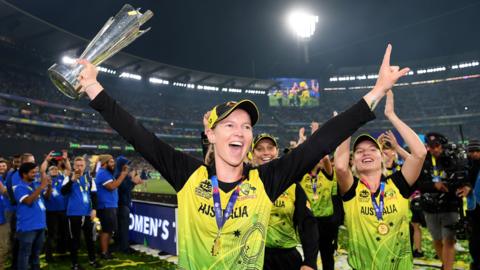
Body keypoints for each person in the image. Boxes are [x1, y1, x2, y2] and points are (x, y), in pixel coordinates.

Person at [77, 44, 409, 269]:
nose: (239, 131)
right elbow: (137, 134)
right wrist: (94, 87)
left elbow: (322, 140)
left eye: (246, 126)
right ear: (211, 134)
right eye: (230, 124)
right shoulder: (189, 175)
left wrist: (377, 91)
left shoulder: (266, 181)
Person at [334, 90, 427, 269]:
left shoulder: (398, 184)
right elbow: (339, 166)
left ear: (381, 157)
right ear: (354, 160)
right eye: (359, 151)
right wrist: (347, 124)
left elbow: (420, 153)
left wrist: (391, 115)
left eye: (372, 149)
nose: (366, 152)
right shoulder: (352, 189)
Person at [251, 133, 318, 270]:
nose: (265, 152)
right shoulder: (244, 183)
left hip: (286, 259)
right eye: (260, 148)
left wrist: (310, 261)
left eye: (270, 148)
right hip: (251, 257)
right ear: (252, 154)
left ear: (276, 152)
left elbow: (307, 224)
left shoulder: (292, 186)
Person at [416, 132, 471, 270]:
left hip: (450, 204)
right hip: (430, 206)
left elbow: (466, 175)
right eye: (431, 146)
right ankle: (446, 266)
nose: (434, 149)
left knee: (449, 240)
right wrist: (434, 185)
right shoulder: (423, 160)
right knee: (437, 240)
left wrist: (467, 186)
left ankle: (447, 268)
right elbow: (418, 183)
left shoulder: (453, 158)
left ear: (442, 145)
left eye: (437, 146)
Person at [298, 122, 339, 270]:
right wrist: (302, 139)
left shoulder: (327, 175)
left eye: (320, 156)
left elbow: (326, 157)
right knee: (310, 257)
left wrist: (317, 134)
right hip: (309, 221)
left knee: (327, 255)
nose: (318, 158)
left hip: (326, 222)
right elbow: (298, 157)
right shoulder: (302, 176)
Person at [61, 156, 101, 269]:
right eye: (77, 165)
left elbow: (94, 195)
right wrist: (72, 180)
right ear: (73, 166)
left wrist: (94, 209)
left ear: (84, 166)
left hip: (87, 214)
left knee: (90, 239)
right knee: (75, 240)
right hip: (73, 214)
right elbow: (63, 192)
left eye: (81, 165)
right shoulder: (68, 177)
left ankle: (92, 260)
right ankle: (75, 264)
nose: (79, 167)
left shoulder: (89, 178)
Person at [14, 162, 48, 270]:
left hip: (40, 225)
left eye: (36, 172)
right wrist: (42, 186)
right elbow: (28, 201)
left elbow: (46, 197)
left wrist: (48, 186)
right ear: (24, 174)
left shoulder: (35, 185)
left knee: (36, 254)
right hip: (27, 227)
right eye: (33, 172)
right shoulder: (19, 187)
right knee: (25, 254)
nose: (35, 174)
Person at [95, 154, 128, 259]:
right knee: (106, 230)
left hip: (110, 205)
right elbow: (112, 186)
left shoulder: (107, 173)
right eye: (111, 162)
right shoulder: (103, 173)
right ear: (105, 163)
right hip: (106, 206)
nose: (113, 164)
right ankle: (104, 253)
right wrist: (123, 175)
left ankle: (105, 251)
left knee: (109, 230)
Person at [40, 151, 70, 261]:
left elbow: (69, 170)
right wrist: (49, 189)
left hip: (63, 210)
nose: (54, 170)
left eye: (56, 169)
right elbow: (46, 197)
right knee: (52, 234)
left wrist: (66, 160)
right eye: (52, 169)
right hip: (51, 211)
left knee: (64, 232)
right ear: (48, 171)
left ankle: (61, 251)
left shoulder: (62, 178)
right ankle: (49, 255)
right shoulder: (45, 180)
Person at [115, 156, 143, 254]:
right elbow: (125, 188)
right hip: (122, 205)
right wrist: (133, 183)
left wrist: (133, 182)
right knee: (123, 228)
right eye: (126, 164)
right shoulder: (119, 174)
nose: (128, 166)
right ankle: (124, 248)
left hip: (122, 204)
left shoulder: (122, 174)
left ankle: (120, 245)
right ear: (122, 165)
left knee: (121, 228)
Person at [467, 139, 480, 270]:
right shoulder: (466, 166)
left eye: (477, 151)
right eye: (472, 151)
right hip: (473, 208)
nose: (475, 154)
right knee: (475, 240)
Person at [0, 159, 9, 270]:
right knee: (3, 247)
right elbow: (6, 194)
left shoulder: (3, 178)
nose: (2, 167)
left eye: (3, 165)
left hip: (3, 216)